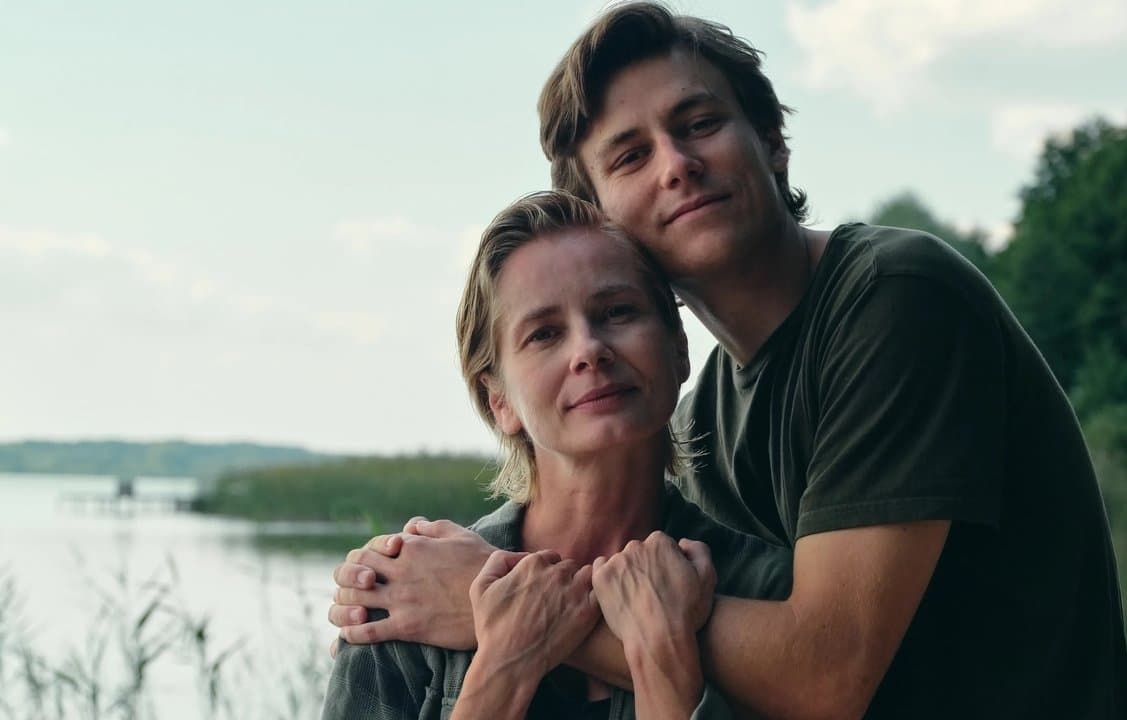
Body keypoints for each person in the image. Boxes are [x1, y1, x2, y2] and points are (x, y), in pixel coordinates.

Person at [331, 3, 1127, 718]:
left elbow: (824, 678)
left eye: (699, 123)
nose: (676, 164)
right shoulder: (709, 421)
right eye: (630, 156)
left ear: (772, 140)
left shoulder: (896, 297)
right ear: (601, 214)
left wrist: (492, 603)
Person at [322, 190, 791, 719]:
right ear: (499, 401)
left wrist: (664, 662)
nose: (589, 349)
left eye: (617, 312)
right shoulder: (405, 597)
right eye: (544, 334)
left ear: (679, 348)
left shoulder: (770, 596)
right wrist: (502, 667)